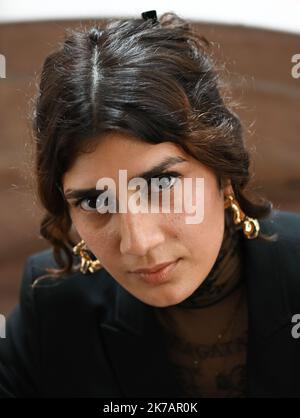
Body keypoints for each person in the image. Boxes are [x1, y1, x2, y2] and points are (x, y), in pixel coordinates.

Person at [0, 10, 299, 398]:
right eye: (95, 200)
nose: (138, 242)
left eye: (161, 184)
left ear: (223, 172)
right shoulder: (55, 305)